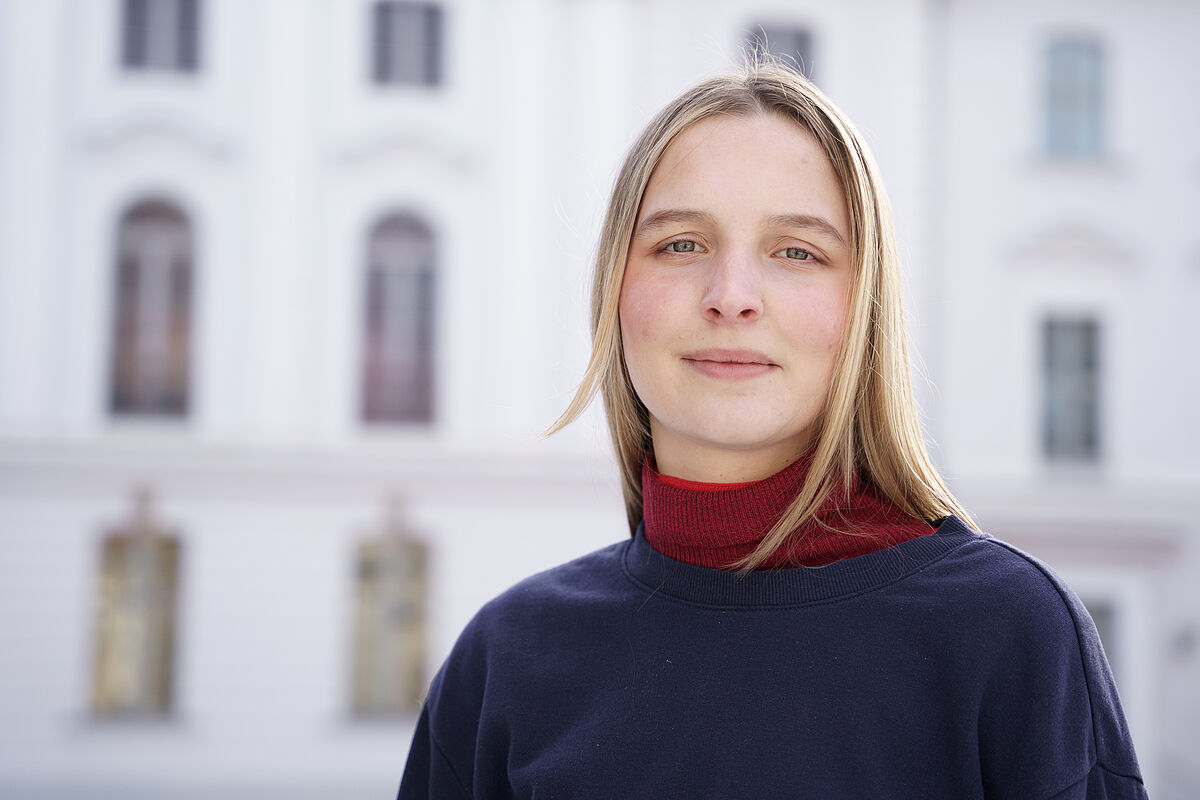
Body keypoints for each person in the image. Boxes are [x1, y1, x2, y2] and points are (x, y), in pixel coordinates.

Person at [396, 58, 1147, 799]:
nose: (731, 297)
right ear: (614, 292)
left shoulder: (1008, 636)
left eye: (797, 252)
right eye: (681, 244)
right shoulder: (507, 660)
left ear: (864, 310)